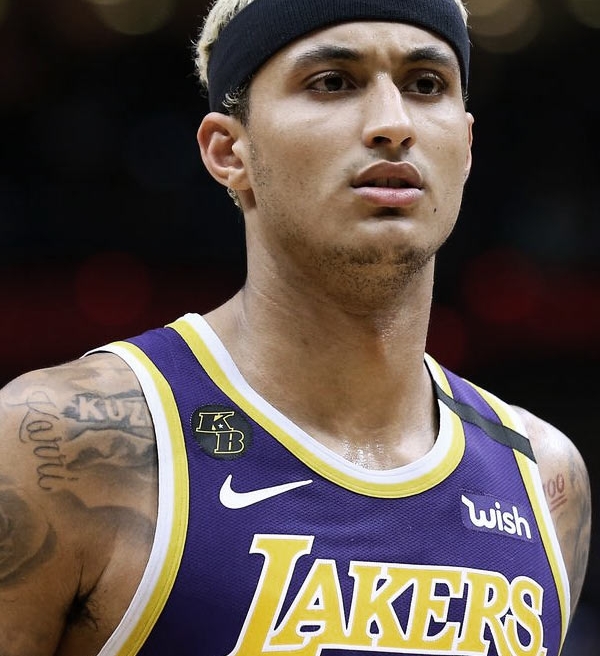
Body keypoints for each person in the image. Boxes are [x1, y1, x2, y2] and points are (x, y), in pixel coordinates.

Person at [0, 0, 591, 654]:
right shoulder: (60, 443)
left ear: (468, 146)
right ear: (229, 151)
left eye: (426, 85)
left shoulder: (543, 477)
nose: (394, 124)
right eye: (333, 82)